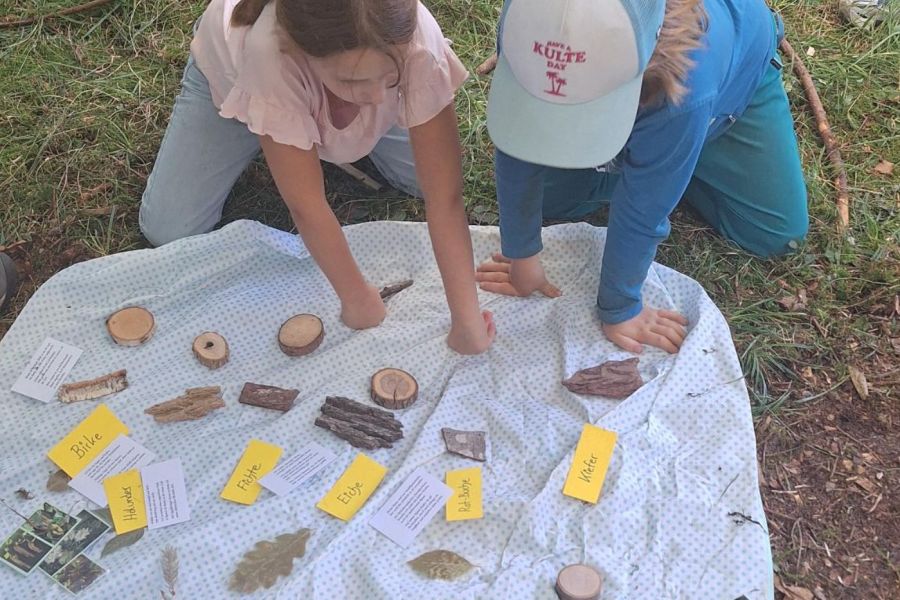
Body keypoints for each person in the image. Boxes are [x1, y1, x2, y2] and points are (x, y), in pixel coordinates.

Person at [139, 0, 494, 354]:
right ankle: (272, 130)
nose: (373, 98)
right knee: (170, 229)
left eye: (392, 79)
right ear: (300, 51)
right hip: (241, 83)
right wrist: (356, 298)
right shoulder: (271, 53)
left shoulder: (415, 41)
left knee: (424, 177)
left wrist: (467, 321)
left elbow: (445, 196)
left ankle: (317, 127)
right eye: (352, 80)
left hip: (317, 87)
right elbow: (306, 205)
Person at [476, 0, 808, 354]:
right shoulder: (528, 22)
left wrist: (619, 308)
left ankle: (675, 157)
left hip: (723, 89)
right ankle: (658, 161)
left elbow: (643, 210)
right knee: (552, 198)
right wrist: (521, 253)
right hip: (654, 104)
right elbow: (518, 136)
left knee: (774, 231)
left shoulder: (685, 78)